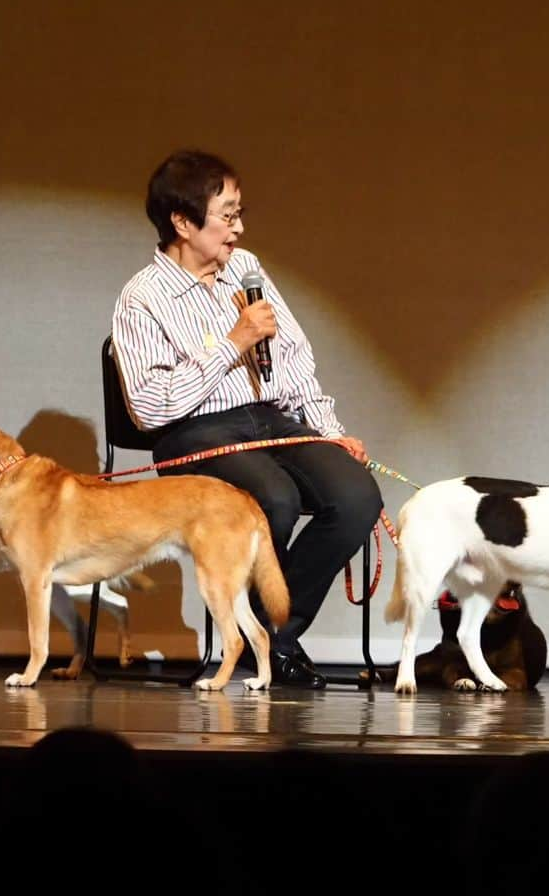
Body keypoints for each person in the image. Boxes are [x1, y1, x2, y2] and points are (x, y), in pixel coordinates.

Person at [111, 148, 382, 689]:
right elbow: (148, 405)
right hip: (194, 432)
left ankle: (276, 635)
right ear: (183, 222)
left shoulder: (246, 269)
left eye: (240, 214)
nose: (238, 229)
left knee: (356, 496)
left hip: (270, 420)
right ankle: (270, 648)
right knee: (273, 498)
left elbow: (294, 357)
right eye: (227, 216)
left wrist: (327, 430)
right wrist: (232, 343)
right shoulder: (141, 299)